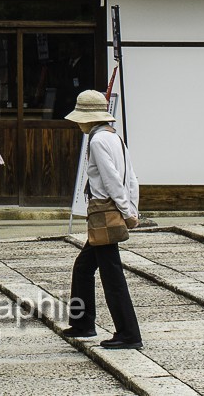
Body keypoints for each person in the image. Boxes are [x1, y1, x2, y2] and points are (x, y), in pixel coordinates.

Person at [62, 89, 142, 349]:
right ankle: (82, 323)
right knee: (84, 267)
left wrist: (127, 213)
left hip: (104, 213)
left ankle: (128, 333)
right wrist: (132, 208)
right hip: (111, 211)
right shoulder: (114, 137)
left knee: (111, 274)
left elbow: (111, 180)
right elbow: (131, 177)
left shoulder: (97, 141)